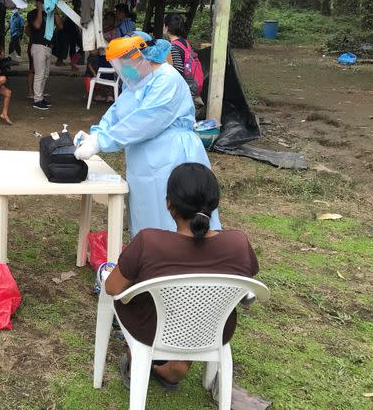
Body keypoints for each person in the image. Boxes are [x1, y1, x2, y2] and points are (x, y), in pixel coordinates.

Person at [104, 163, 258, 390]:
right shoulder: (238, 244)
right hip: (212, 331)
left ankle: (137, 357)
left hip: (151, 330)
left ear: (169, 204)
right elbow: (247, 291)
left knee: (128, 291)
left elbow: (113, 288)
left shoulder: (149, 242)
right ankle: (179, 364)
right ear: (214, 204)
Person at [75, 32, 222, 236]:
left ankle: (181, 261)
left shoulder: (166, 79)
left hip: (172, 154)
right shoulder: (137, 82)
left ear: (139, 56)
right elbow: (118, 113)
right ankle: (150, 258)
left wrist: (102, 141)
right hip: (144, 159)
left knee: (175, 214)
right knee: (146, 214)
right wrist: (96, 134)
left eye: (124, 61)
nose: (123, 67)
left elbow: (145, 121)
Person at [28, 0, 62, 110]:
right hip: (38, 47)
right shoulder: (32, 14)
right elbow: (37, 25)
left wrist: (55, 10)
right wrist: (39, 9)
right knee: (39, 75)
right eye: (42, 2)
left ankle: (40, 97)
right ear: (38, 2)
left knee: (45, 75)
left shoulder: (50, 13)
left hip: (48, 47)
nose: (44, 4)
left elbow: (60, 26)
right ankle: (37, 100)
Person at [163, 13, 204, 100]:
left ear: (167, 28)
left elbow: (175, 72)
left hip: (184, 90)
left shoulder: (172, 47)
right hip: (192, 84)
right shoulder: (185, 42)